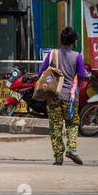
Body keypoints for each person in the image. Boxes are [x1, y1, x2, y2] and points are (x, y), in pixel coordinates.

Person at [38, 27, 85, 166]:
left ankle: (58, 157)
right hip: (70, 98)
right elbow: (82, 76)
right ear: (73, 41)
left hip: (53, 96)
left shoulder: (52, 54)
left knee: (55, 127)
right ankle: (71, 148)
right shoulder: (77, 56)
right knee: (72, 124)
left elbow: (42, 72)